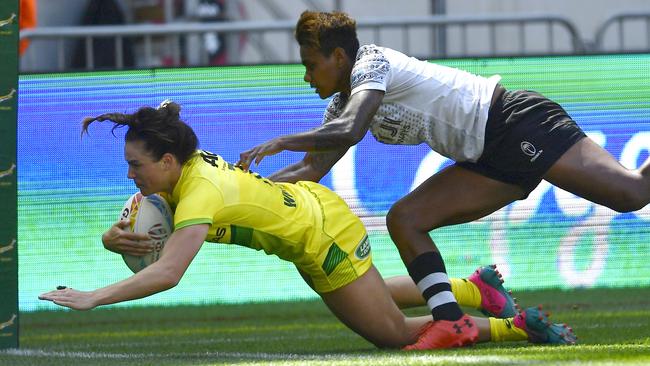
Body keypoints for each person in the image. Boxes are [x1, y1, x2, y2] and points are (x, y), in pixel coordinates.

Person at [237, 10, 649, 349]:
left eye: (311, 65)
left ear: (340, 57)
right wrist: (251, 190)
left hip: (516, 125)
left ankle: (460, 311)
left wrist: (280, 141)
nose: (307, 77)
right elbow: (311, 170)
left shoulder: (372, 64)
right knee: (405, 219)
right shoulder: (344, 103)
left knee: (631, 194)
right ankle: (453, 321)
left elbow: (350, 130)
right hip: (487, 159)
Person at [39, 101, 575, 350]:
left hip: (321, 237)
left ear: (169, 161)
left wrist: (94, 296)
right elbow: (143, 238)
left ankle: (517, 326)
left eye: (136, 165)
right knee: (372, 297)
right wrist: (113, 242)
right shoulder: (178, 173)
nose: (130, 175)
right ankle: (471, 288)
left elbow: (167, 272)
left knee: (390, 334)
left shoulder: (199, 191)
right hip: (313, 217)